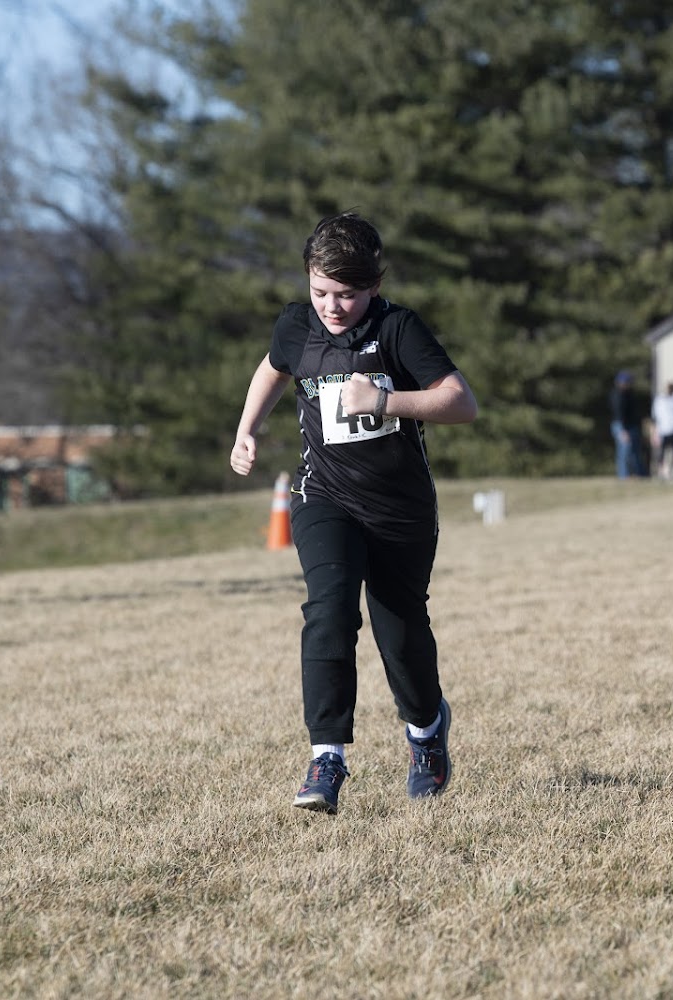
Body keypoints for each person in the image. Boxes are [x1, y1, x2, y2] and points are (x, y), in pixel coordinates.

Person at [229, 212, 478, 815]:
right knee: (329, 610)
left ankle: (426, 732)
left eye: (346, 294)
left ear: (374, 284)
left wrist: (385, 400)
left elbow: (460, 401)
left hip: (399, 510)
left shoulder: (398, 329)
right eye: (321, 291)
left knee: (401, 633)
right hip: (324, 496)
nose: (331, 307)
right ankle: (327, 756)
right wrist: (247, 429)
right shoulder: (296, 325)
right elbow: (273, 366)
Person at [609, 370, 646, 478]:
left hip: (631, 426)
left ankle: (640, 474)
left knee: (635, 451)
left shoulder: (630, 394)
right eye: (626, 382)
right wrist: (623, 431)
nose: (628, 384)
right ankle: (623, 476)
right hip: (621, 426)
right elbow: (618, 414)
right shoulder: (617, 395)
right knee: (624, 451)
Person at [650, 381, 673, 482]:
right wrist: (654, 433)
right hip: (663, 430)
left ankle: (672, 471)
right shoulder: (659, 400)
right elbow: (655, 417)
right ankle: (661, 472)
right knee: (661, 453)